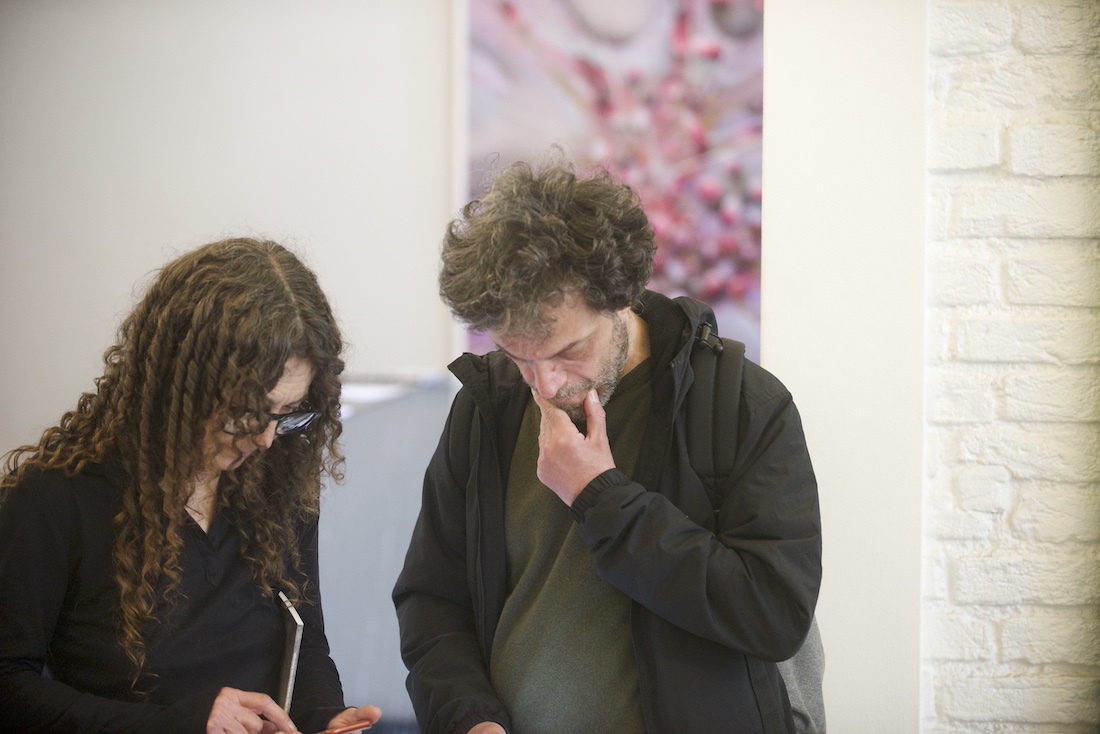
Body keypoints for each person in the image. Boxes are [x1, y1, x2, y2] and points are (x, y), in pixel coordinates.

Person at [393, 153, 822, 734]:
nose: (546, 385)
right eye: (519, 358)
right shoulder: (486, 406)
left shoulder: (742, 405)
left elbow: (773, 613)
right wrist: (468, 718)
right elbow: (431, 600)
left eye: (568, 352)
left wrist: (600, 497)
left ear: (621, 296)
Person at [0, 238, 381, 734]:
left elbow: (303, 643)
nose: (265, 439)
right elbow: (9, 687)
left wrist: (325, 717)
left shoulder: (279, 485)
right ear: (179, 386)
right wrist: (176, 724)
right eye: (245, 412)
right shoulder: (55, 501)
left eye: (286, 413)